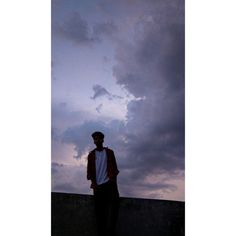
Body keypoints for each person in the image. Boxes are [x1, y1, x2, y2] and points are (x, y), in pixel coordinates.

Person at [87, 131, 120, 236]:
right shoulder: (91, 155)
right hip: (98, 187)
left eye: (98, 138)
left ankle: (111, 232)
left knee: (114, 207)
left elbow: (114, 168)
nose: (96, 140)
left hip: (110, 184)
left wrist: (112, 181)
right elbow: (90, 171)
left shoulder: (110, 152)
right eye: (95, 139)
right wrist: (93, 183)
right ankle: (101, 233)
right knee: (99, 212)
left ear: (102, 140)